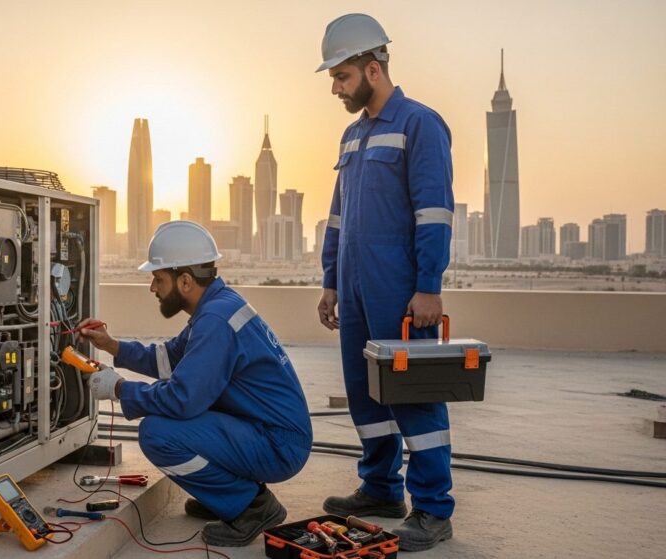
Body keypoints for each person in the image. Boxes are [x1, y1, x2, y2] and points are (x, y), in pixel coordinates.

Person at [315, 13, 456, 552]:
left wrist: (428, 285)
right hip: (352, 289)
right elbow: (337, 217)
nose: (335, 88)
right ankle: (380, 489)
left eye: (342, 77)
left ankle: (434, 510)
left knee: (414, 398)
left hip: (400, 290)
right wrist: (330, 281)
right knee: (365, 394)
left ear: (372, 69)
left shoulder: (420, 124)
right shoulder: (352, 135)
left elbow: (434, 212)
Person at [79, 220, 311, 547]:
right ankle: (224, 494)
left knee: (158, 434)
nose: (152, 288)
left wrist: (118, 389)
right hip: (266, 430)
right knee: (174, 422)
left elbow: (182, 398)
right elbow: (170, 359)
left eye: (158, 279)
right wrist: (112, 346)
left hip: (277, 444)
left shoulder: (215, 320)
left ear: (185, 280)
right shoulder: (217, 306)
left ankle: (250, 506)